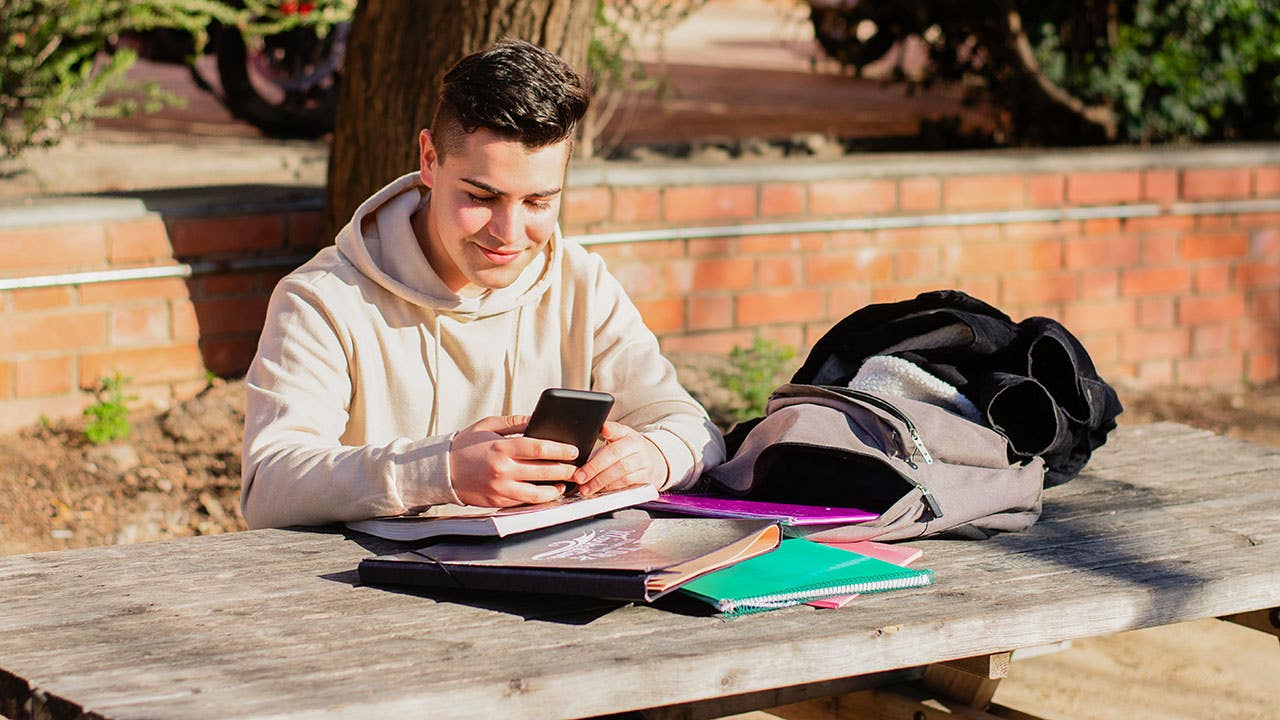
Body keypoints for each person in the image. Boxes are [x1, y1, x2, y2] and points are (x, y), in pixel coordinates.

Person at [240, 39, 725, 529]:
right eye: (481, 196)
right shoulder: (321, 300)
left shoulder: (582, 283)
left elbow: (690, 427)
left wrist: (655, 456)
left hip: (550, 585)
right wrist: (440, 471)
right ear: (429, 159)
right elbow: (269, 485)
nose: (509, 234)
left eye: (538, 202)